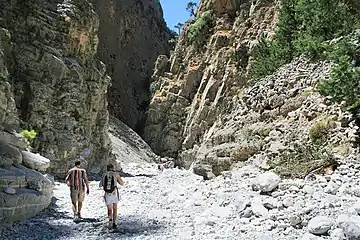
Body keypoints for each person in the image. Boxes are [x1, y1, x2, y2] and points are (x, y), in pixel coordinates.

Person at [99, 163, 125, 228]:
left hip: (107, 193)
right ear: (113, 168)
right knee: (115, 208)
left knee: (109, 209)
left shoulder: (104, 174)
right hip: (114, 193)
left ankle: (110, 220)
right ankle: (114, 223)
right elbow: (121, 183)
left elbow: (100, 185)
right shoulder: (116, 174)